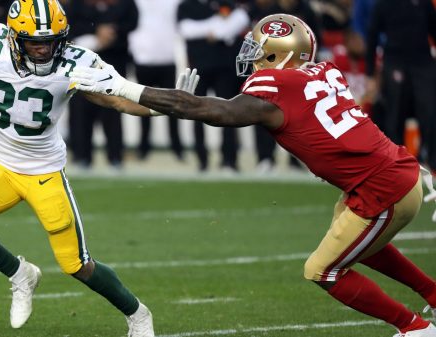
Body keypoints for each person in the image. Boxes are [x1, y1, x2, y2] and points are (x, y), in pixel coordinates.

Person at [69, 13, 436, 336]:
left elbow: (215, 112)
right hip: (394, 173)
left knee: (322, 270)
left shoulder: (274, 88)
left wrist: (124, 87)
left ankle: (414, 328)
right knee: (357, 248)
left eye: (258, 50)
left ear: (283, 54)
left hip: (382, 187)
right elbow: (344, 126)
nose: (251, 57)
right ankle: (433, 296)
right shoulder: (323, 72)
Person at [0, 0, 194, 335]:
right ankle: (21, 274)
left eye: (50, 41)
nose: (43, 49)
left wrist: (162, 108)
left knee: (76, 265)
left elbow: (117, 98)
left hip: (44, 171)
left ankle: (138, 314)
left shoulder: (77, 62)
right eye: (34, 42)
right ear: (12, 37)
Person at [65, 0, 139, 170]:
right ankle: (82, 155)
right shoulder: (77, 5)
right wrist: (95, 33)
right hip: (83, 66)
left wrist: (113, 31)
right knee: (81, 111)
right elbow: (68, 27)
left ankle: (115, 156)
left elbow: (132, 21)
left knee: (114, 110)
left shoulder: (124, 4)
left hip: (114, 61)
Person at [177, 0, 249, 172]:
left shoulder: (224, 3)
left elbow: (241, 19)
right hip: (197, 69)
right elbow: (186, 29)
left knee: (228, 114)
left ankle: (229, 160)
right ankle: (202, 159)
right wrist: (216, 26)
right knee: (195, 113)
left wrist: (216, 30)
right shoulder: (186, 5)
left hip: (224, 68)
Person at [365, 0, 436, 174]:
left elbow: (434, 29)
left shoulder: (423, 2)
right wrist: (370, 73)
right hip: (395, 60)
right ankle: (396, 162)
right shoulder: (384, 4)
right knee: (395, 112)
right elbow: (372, 35)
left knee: (429, 112)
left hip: (422, 62)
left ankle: (431, 162)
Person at [129, 0, 184, 161]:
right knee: (143, 105)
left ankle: (177, 147)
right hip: (143, 59)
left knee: (173, 107)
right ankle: (143, 147)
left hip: (166, 58)